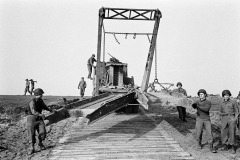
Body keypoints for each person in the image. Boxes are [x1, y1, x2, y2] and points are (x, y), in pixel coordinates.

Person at [26, 88, 56, 154]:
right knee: (31, 133)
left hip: (39, 119)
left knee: (43, 131)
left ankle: (40, 143)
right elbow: (33, 111)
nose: (42, 95)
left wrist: (51, 110)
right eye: (41, 94)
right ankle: (32, 147)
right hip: (31, 119)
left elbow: (45, 107)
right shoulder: (32, 101)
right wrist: (40, 114)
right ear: (37, 94)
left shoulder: (40, 101)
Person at [219, 90, 238, 154]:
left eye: (227, 95)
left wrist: (235, 118)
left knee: (232, 132)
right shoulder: (221, 103)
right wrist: (221, 118)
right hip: (224, 118)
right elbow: (220, 112)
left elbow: (236, 111)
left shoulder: (233, 102)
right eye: (224, 95)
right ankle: (225, 145)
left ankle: (232, 147)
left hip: (231, 117)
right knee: (223, 132)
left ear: (229, 95)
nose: (226, 96)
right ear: (223, 96)